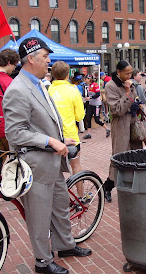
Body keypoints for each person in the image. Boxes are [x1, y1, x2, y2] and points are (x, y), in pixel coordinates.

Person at [2, 37, 91, 274]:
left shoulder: (39, 83)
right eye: (44, 57)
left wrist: (61, 139)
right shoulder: (18, 89)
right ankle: (42, 260)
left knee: (60, 205)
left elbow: (44, 120)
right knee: (39, 215)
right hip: (36, 163)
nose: (49, 61)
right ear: (30, 59)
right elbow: (15, 132)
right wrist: (49, 141)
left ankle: (66, 245)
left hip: (51, 160)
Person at [103, 60, 143, 203]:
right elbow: (117, 110)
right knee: (119, 156)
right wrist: (127, 93)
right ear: (118, 72)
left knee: (136, 153)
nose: (129, 76)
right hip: (120, 125)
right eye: (126, 73)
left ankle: (131, 185)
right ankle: (108, 186)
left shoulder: (130, 83)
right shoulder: (110, 86)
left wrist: (135, 102)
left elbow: (134, 99)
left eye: (131, 73)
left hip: (133, 123)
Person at [49, 61, 86, 195]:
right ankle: (81, 195)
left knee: (55, 170)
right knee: (76, 166)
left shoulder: (48, 90)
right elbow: (79, 116)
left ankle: (57, 197)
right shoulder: (73, 90)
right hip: (70, 136)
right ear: (67, 74)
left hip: (52, 137)